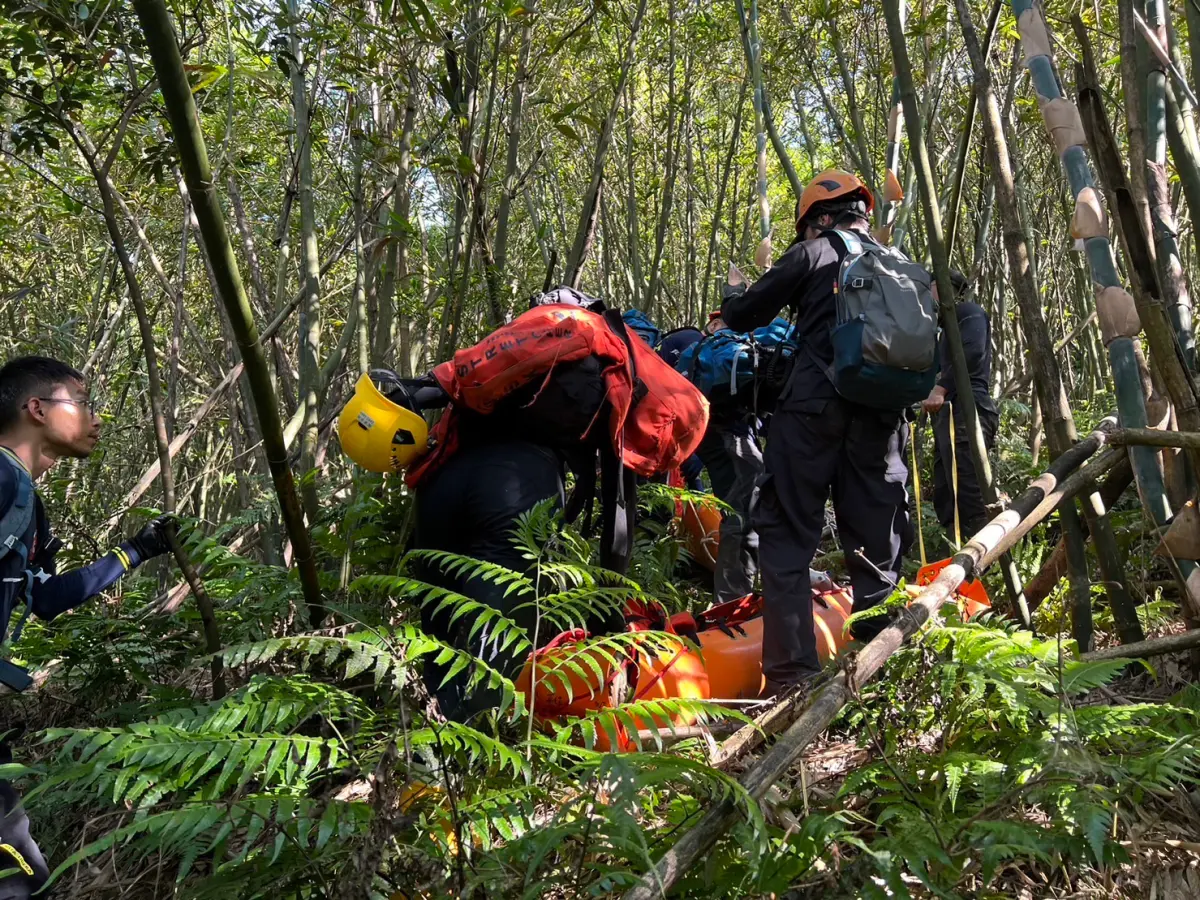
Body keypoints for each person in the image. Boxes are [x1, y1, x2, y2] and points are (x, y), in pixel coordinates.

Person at [721, 170, 912, 697]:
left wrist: (735, 290)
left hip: (810, 413)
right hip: (881, 420)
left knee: (784, 536)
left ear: (818, 220)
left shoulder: (813, 253)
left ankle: (792, 678)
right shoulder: (897, 263)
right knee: (877, 543)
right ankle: (884, 672)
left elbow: (742, 317)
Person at [0, 356, 176, 899]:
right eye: (81, 401)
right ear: (36, 409)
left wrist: (136, 551)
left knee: (19, 865)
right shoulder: (4, 480)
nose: (96, 418)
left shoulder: (26, 498)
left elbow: (46, 598)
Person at [689, 313, 764, 604]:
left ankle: (739, 592)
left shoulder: (706, 351)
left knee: (740, 509)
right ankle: (732, 599)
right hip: (730, 435)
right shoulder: (736, 350)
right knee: (742, 513)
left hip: (714, 434)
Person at [921, 271, 998, 540]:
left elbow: (973, 353)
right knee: (946, 488)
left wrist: (941, 389)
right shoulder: (941, 329)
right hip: (950, 412)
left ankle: (983, 559)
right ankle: (955, 552)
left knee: (969, 486)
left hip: (969, 407)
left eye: (928, 287)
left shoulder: (968, 312)